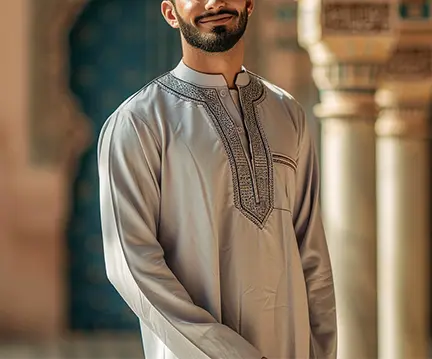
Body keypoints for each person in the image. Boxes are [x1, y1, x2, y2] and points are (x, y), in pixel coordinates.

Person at [97, 0, 337, 358]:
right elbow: (133, 268)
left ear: (250, 4)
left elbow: (313, 258)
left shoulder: (288, 114)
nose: (213, 2)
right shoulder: (138, 123)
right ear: (170, 12)